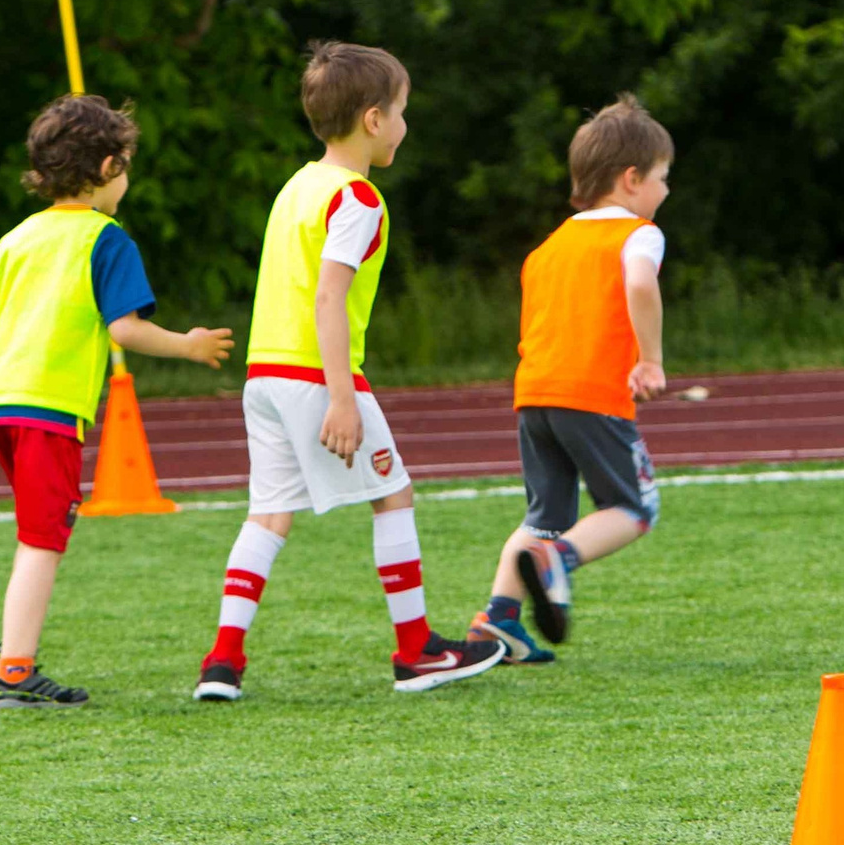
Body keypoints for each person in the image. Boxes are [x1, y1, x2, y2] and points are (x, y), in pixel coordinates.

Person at [194, 42, 507, 701]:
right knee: (393, 496)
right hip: (316, 376)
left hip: (264, 377)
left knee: (270, 514)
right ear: (372, 119)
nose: (403, 125)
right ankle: (417, 649)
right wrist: (341, 397)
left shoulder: (297, 186)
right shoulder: (356, 197)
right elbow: (329, 296)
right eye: (400, 112)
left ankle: (222, 661)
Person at [0, 93, 233, 708]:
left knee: (35, 533)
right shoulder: (106, 238)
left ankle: (14, 645)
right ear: (107, 168)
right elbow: (125, 329)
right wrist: (189, 345)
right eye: (126, 165)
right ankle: (14, 673)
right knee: (44, 538)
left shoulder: (18, 238)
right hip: (47, 411)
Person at [469, 96, 672, 662]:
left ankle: (497, 622)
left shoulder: (548, 248)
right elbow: (638, 284)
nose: (665, 191)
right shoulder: (638, 233)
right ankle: (555, 564)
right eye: (662, 178)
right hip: (595, 396)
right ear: (631, 180)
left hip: (534, 395)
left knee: (545, 519)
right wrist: (650, 358)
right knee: (633, 510)